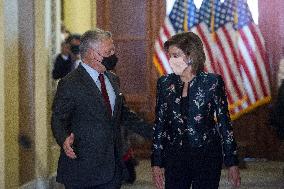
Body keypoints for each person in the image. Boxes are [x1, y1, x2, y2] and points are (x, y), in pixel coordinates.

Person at [51, 28, 152, 189]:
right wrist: (63, 139)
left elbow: (124, 115)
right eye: (109, 51)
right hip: (82, 170)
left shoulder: (112, 79)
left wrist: (157, 133)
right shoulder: (70, 83)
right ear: (92, 54)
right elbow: (58, 118)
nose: (113, 55)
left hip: (112, 170)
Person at [151, 32, 241, 189]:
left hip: (207, 156)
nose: (171, 60)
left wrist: (232, 162)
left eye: (176, 55)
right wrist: (157, 162)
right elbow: (159, 125)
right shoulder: (165, 83)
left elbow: (224, 124)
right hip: (175, 157)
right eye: (170, 56)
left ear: (191, 55)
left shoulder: (212, 82)